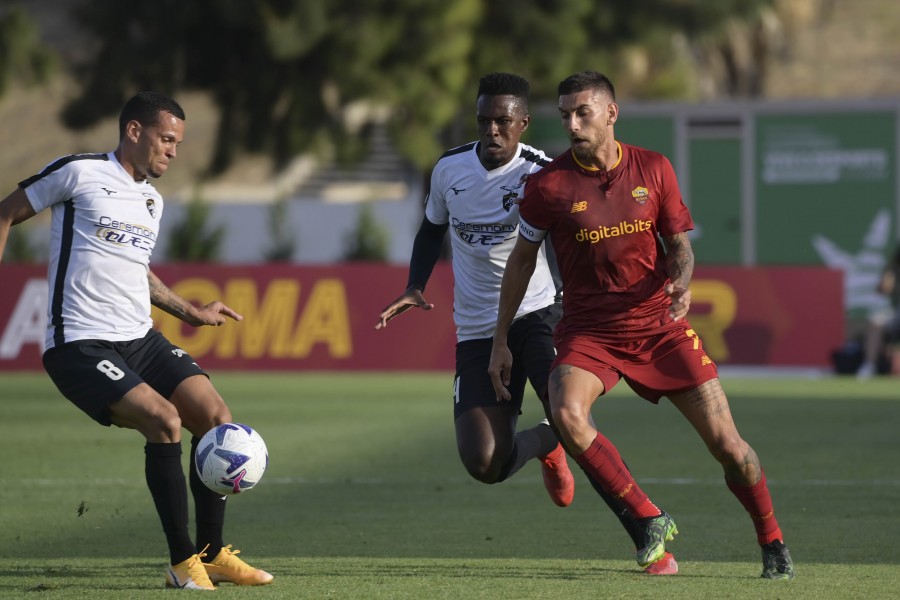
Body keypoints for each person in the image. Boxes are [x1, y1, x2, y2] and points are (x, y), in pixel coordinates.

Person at [488, 71, 795, 580]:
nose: (571, 122)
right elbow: (521, 261)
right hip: (589, 333)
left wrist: (682, 281)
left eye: (582, 111)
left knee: (731, 450)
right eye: (564, 113)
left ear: (611, 113)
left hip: (660, 328)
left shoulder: (653, 168)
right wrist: (501, 339)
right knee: (565, 411)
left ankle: (772, 540)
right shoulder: (548, 186)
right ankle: (649, 517)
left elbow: (679, 246)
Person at [376, 72, 677, 575]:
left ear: (522, 124)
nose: (491, 130)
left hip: (539, 315)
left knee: (572, 416)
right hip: (476, 328)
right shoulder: (449, 170)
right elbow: (431, 230)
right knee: (484, 463)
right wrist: (415, 284)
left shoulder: (544, 173)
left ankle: (646, 532)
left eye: (502, 121)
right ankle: (546, 444)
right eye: (483, 120)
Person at [0, 91, 272, 590]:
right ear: (133, 132)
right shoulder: (79, 171)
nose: (172, 151)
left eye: (178, 143)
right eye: (166, 139)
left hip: (140, 338)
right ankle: (180, 563)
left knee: (217, 420)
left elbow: (137, 271)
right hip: (80, 343)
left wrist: (191, 311)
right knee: (164, 421)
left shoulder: (151, 200)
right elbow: (5, 213)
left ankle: (211, 556)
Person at [858, 246, 900, 378]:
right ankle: (869, 366)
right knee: (876, 323)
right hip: (897, 316)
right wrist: (887, 279)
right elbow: (882, 289)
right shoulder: (895, 271)